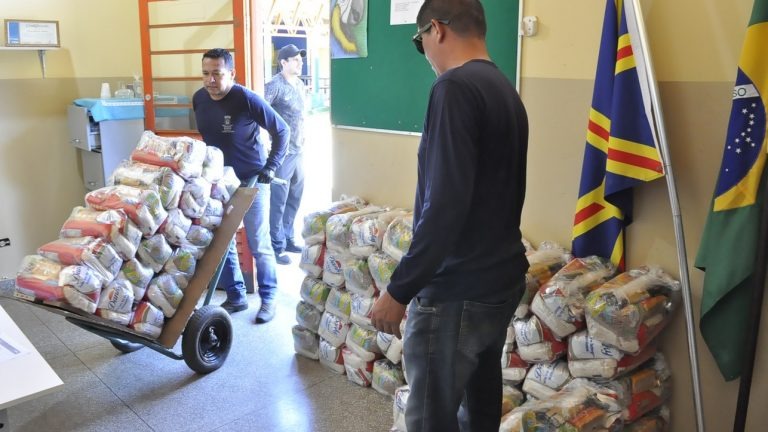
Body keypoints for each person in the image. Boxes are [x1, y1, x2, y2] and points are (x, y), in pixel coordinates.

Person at [369, 1, 529, 430]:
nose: (423, 53)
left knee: (430, 419)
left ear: (436, 29)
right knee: (479, 410)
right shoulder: (503, 88)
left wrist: (400, 289)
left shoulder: (454, 88)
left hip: (456, 289)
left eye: (418, 41)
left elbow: (444, 205)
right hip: (499, 279)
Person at [192, 48, 290, 324]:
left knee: (259, 242)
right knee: (221, 242)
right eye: (205, 74)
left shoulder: (245, 98)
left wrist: (270, 167)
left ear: (231, 74)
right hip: (219, 182)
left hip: (252, 180)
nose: (210, 80)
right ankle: (236, 296)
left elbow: (282, 130)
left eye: (217, 74)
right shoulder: (199, 99)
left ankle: (268, 298)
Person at [264, 44, 308, 265]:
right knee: (278, 200)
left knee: (295, 196)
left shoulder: (300, 84)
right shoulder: (274, 86)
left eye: (300, 59)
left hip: (299, 150)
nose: (300, 63)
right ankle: (276, 245)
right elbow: (260, 113)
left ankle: (288, 237)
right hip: (282, 153)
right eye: (295, 60)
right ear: (283, 62)